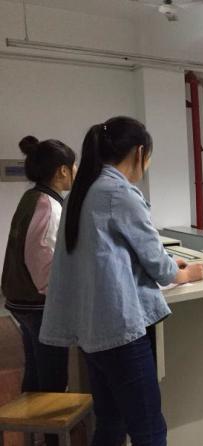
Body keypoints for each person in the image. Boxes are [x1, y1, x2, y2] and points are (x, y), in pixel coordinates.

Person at [39, 117, 203, 446]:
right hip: (120, 331)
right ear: (139, 152)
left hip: (92, 329)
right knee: (149, 429)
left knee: (110, 423)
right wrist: (186, 274)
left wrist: (164, 261)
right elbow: (158, 266)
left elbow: (109, 254)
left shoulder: (82, 191)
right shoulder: (120, 193)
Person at [1, 136, 76, 446]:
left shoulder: (32, 197)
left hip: (20, 300)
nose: (75, 171)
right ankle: (52, 437)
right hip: (39, 304)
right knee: (53, 377)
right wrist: (64, 298)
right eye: (73, 166)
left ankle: (33, 433)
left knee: (35, 368)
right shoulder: (48, 205)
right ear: (62, 171)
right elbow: (42, 263)